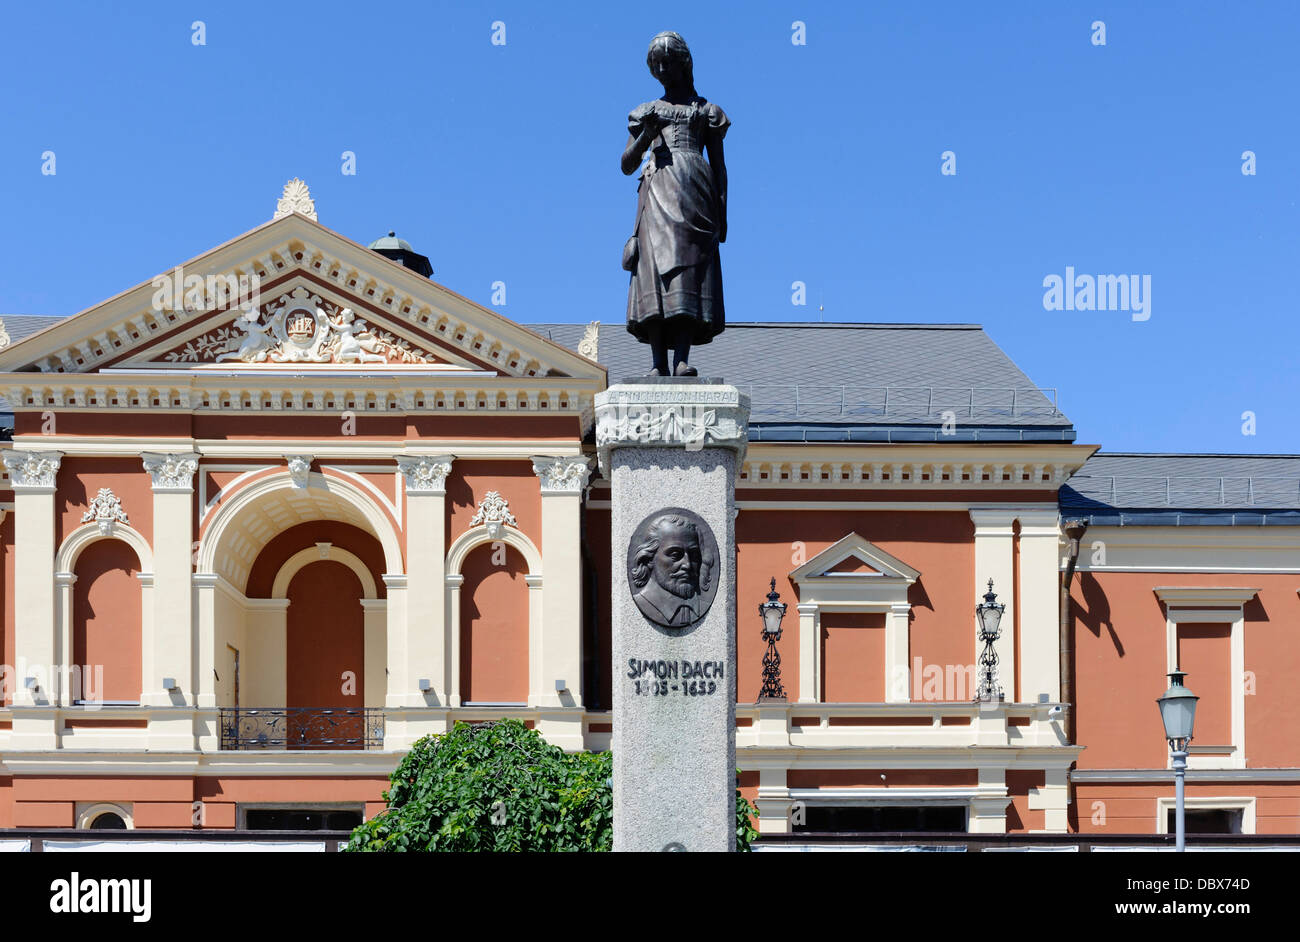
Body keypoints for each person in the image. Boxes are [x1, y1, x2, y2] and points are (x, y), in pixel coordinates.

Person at [621, 31, 729, 377]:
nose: (663, 69)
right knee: (653, 270)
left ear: (684, 63)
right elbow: (625, 164)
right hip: (656, 193)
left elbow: (720, 166)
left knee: (688, 268)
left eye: (668, 62)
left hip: (695, 192)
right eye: (657, 65)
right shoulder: (646, 112)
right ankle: (657, 364)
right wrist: (646, 135)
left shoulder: (706, 112)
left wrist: (723, 214)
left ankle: (682, 359)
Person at [630, 514, 714, 627]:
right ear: (649, 559)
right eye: (675, 555)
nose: (687, 565)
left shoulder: (702, 605)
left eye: (693, 554)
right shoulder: (643, 602)